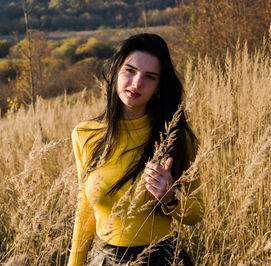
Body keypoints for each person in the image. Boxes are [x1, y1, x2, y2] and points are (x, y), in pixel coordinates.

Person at [68, 33, 204, 266]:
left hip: (162, 259)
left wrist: (170, 197)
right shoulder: (86, 135)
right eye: (130, 70)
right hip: (107, 260)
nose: (137, 83)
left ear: (158, 87)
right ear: (115, 71)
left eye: (149, 77)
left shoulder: (176, 138)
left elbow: (196, 213)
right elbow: (85, 211)